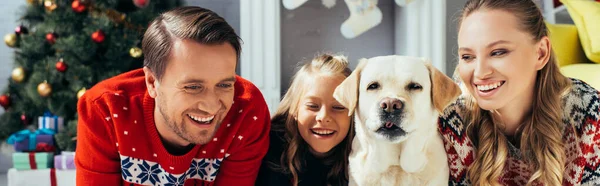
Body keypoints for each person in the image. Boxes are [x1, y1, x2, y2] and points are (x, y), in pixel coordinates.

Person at [75, 6, 270, 186]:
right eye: (193, 86)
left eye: (224, 85)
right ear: (152, 82)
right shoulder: (104, 108)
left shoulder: (247, 109)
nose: (211, 106)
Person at [438, 0, 600, 185]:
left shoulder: (589, 112)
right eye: (467, 57)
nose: (480, 72)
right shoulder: (449, 121)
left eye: (498, 52)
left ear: (540, 53)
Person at [256, 54, 354, 186]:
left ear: (354, 113)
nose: (324, 117)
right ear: (295, 109)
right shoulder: (268, 146)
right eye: (313, 106)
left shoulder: (367, 151)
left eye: (338, 107)